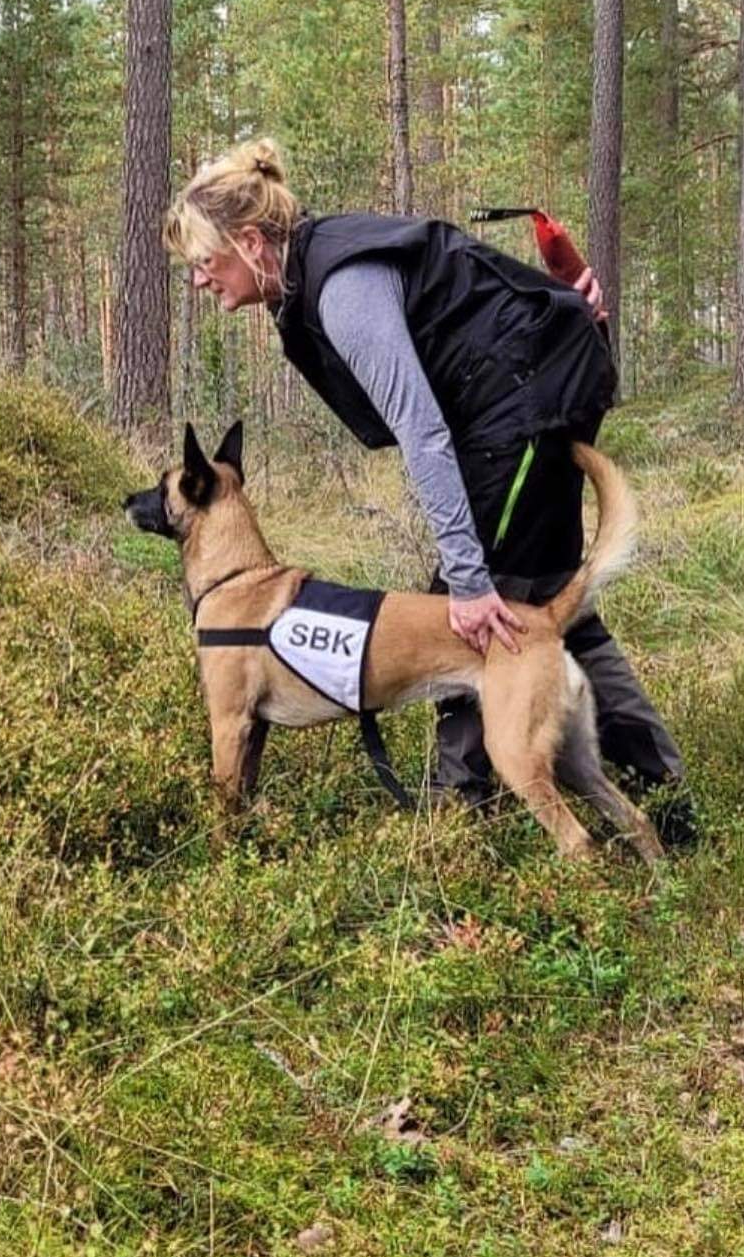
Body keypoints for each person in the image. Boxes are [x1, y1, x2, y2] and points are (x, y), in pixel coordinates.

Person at [165, 137, 695, 849]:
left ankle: (460, 822)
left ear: (252, 243)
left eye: (205, 261)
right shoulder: (311, 272)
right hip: (529, 394)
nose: (200, 281)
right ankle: (665, 805)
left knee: (473, 614)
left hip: (525, 407)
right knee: (544, 605)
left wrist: (469, 579)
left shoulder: (341, 289)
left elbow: (422, 429)